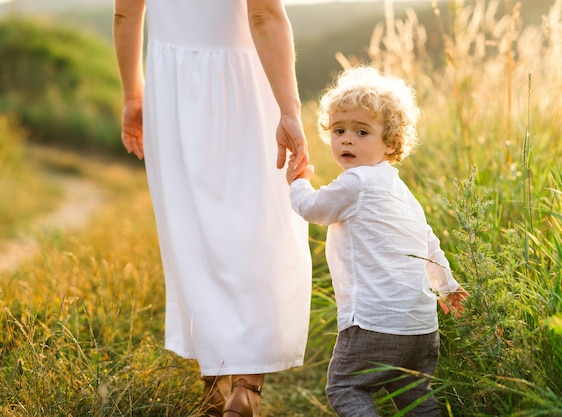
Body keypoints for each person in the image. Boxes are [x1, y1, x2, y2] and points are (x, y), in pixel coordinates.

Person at [113, 1, 312, 416]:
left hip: (170, 86)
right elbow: (264, 16)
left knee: (191, 226)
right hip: (242, 80)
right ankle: (245, 389)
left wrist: (134, 93)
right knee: (257, 224)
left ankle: (213, 383)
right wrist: (289, 111)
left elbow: (126, 15)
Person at [287, 67, 469, 417]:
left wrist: (297, 181)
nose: (347, 140)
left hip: (374, 323)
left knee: (345, 386)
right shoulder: (400, 191)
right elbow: (427, 242)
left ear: (390, 142)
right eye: (339, 130)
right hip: (420, 327)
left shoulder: (357, 182)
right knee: (412, 394)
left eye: (361, 131)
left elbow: (312, 208)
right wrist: (446, 286)